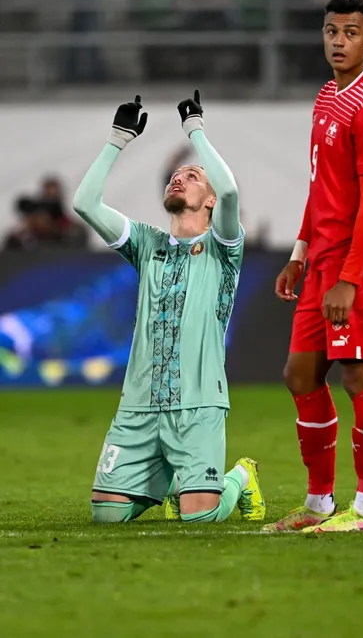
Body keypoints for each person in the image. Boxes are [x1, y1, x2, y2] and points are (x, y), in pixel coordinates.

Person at [73, 92, 265, 524]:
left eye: (193, 177)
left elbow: (230, 189)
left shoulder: (223, 249)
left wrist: (194, 130)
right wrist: (118, 139)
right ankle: (177, 483)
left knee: (200, 520)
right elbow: (84, 203)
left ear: (210, 201)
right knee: (106, 517)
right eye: (175, 176)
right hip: (138, 405)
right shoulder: (147, 243)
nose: (179, 179)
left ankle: (239, 477)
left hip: (198, 405)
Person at [262, 0, 363, 534]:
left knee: (361, 374)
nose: (338, 41)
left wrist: (348, 278)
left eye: (351, 32)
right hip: (321, 258)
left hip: (359, 261)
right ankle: (318, 503)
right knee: (300, 374)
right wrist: (300, 253)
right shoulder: (327, 96)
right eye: (331, 31)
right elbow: (321, 185)